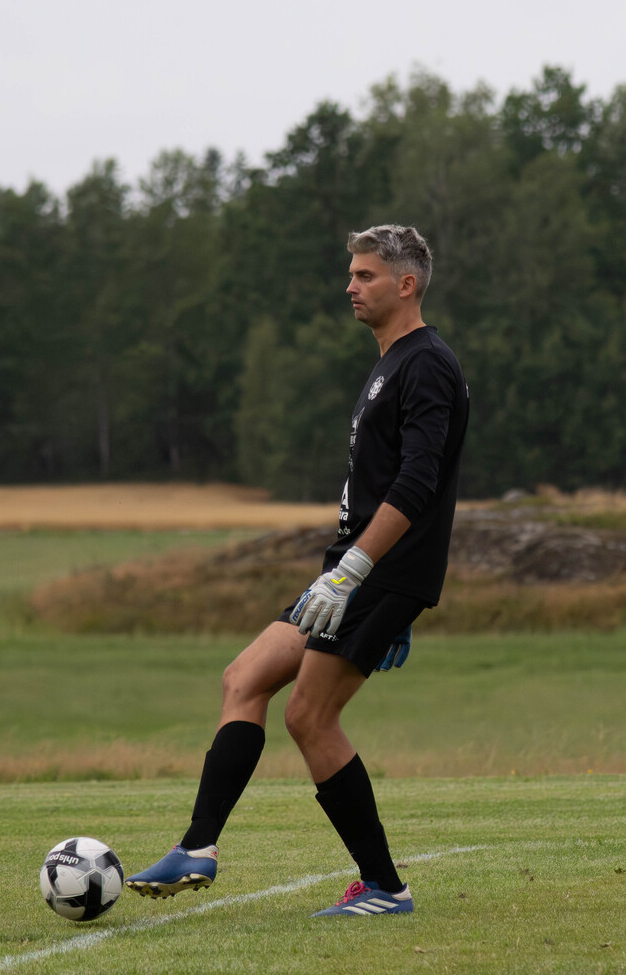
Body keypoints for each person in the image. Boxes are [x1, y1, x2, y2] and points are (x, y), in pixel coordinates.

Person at [125, 224, 469, 917]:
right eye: (351, 273)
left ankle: (385, 887)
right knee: (244, 678)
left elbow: (418, 483)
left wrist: (362, 575)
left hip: (374, 572)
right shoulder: (390, 363)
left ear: (406, 284)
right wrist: (346, 571)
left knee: (310, 716)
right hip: (352, 571)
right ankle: (197, 847)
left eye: (366, 275)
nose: (350, 286)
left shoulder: (426, 363)